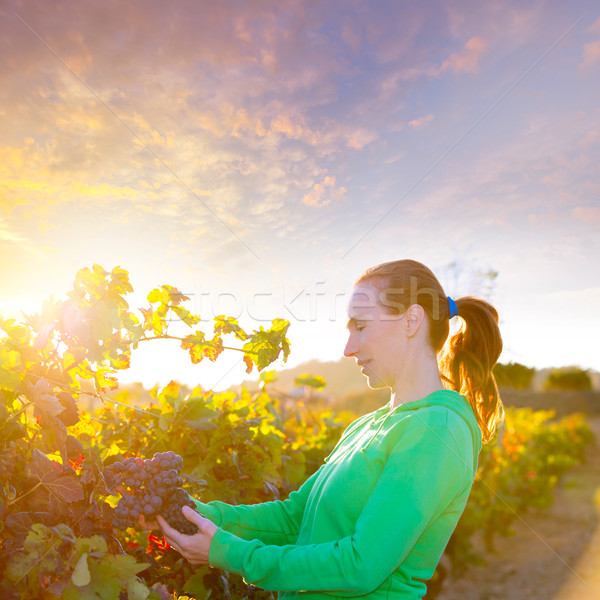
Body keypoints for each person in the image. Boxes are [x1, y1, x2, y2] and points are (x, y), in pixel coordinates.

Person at [155, 259, 504, 599]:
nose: (348, 348)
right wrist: (194, 515)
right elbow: (295, 519)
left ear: (412, 320)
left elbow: (361, 566)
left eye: (361, 327)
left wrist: (230, 554)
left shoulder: (437, 429)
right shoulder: (366, 426)